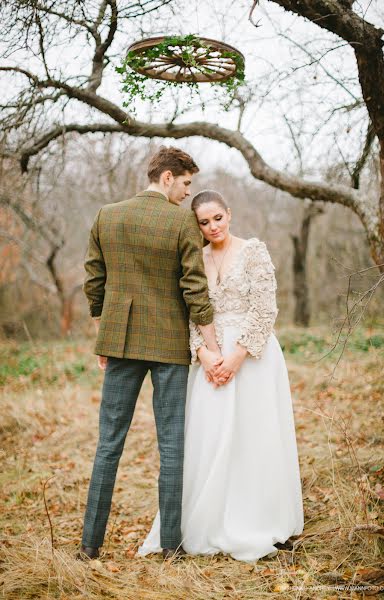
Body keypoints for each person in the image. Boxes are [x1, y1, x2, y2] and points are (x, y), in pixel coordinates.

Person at [138, 189, 304, 562]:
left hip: (252, 358)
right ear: (195, 225)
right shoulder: (194, 258)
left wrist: (235, 359)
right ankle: (208, 519)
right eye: (204, 222)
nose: (213, 226)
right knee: (209, 438)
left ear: (229, 213)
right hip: (210, 361)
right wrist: (206, 354)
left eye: (218, 218)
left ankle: (258, 516)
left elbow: (266, 309)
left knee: (253, 435)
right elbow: (191, 311)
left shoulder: (253, 251)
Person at [79, 148, 224, 561]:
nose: (187, 193)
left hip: (121, 343)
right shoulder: (182, 222)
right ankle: (171, 547)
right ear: (166, 178)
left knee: (108, 444)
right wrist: (213, 348)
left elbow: (95, 278)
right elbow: (194, 287)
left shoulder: (108, 215)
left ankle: (91, 545)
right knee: (172, 446)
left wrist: (103, 334)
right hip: (168, 345)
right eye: (185, 183)